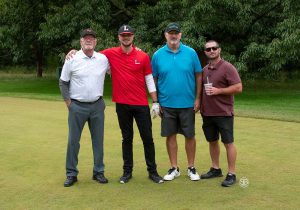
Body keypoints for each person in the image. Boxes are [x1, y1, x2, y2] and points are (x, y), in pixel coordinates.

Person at [66, 25, 163, 184]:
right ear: (119, 37)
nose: (126, 37)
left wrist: (155, 101)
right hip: (122, 105)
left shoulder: (143, 56)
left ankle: (152, 171)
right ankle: (127, 172)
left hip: (140, 104)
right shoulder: (108, 55)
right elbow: (89, 52)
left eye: (129, 35)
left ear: (133, 37)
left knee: (147, 138)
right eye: (123, 35)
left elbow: (149, 79)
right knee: (127, 138)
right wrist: (74, 51)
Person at [151, 23, 203, 181]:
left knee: (190, 135)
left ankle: (191, 167)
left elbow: (198, 75)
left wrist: (198, 98)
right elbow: (153, 78)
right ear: (165, 35)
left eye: (176, 33)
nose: (173, 36)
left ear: (180, 35)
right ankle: (174, 168)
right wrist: (156, 101)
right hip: (166, 104)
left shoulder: (191, 53)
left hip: (187, 103)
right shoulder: (158, 55)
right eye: (170, 33)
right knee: (170, 136)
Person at [59, 29, 110, 187]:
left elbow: (119, 67)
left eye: (91, 38)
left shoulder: (103, 59)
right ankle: (71, 174)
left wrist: (136, 50)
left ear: (96, 42)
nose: (88, 40)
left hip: (97, 105)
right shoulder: (72, 58)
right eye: (85, 38)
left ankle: (98, 172)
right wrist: (69, 104)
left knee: (98, 141)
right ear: (81, 41)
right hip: (77, 106)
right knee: (73, 141)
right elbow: (63, 82)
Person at [200, 40, 242, 187]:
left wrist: (219, 91)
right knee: (212, 141)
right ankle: (216, 168)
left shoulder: (228, 67)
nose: (211, 51)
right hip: (207, 113)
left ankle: (232, 173)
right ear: (205, 52)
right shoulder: (204, 70)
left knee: (228, 143)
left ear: (219, 50)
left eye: (214, 48)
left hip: (224, 112)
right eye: (208, 49)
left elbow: (238, 87)